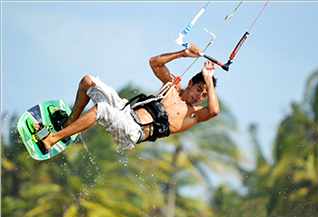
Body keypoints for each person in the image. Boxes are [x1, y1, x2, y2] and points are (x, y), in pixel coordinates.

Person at [29, 44, 219, 153]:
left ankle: (52, 139)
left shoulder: (192, 113)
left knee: (102, 109)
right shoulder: (172, 85)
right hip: (125, 111)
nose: (199, 96)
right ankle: (69, 124)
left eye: (204, 95)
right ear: (191, 82)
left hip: (133, 131)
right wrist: (183, 54)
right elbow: (154, 62)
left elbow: (214, 111)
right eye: (199, 89)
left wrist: (209, 80)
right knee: (88, 82)